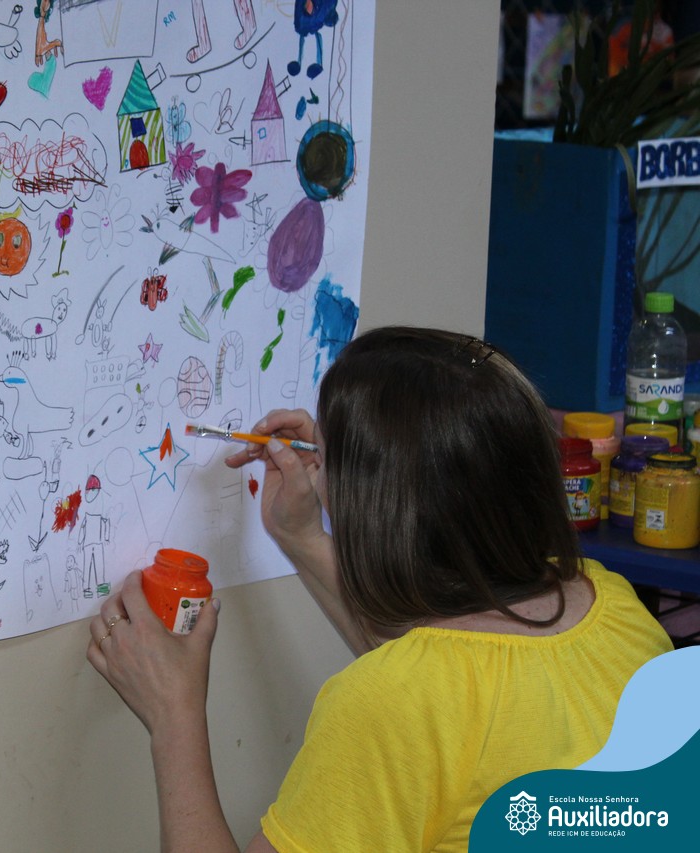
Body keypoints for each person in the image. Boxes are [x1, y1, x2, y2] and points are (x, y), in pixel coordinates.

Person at [86, 326, 672, 852]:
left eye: (327, 462)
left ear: (373, 509)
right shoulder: (615, 607)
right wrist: (301, 535)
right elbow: (442, 681)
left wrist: (175, 712)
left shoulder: (391, 705)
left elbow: (418, 699)